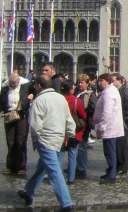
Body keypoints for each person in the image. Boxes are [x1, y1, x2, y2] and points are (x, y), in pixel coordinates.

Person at [17, 75, 75, 212]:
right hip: (59, 139)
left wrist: (35, 139)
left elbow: (35, 125)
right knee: (42, 167)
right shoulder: (61, 98)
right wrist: (71, 134)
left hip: (45, 140)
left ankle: (66, 204)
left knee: (54, 172)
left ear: (38, 86)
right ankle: (29, 192)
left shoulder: (40, 100)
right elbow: (69, 119)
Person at [0, 73, 35, 175]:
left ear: (19, 81)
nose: (13, 86)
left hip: (21, 114)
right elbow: (1, 101)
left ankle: (21, 166)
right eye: (11, 84)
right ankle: (10, 165)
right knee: (10, 141)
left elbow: (34, 92)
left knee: (21, 140)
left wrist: (30, 97)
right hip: (9, 115)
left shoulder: (26, 84)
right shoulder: (5, 87)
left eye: (15, 84)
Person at [93, 73, 124, 184]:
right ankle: (110, 170)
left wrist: (102, 126)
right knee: (108, 150)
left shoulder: (109, 93)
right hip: (110, 126)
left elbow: (107, 112)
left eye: (101, 80)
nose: (99, 83)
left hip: (110, 127)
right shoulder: (109, 91)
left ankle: (112, 175)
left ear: (107, 81)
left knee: (110, 151)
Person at [60, 80, 86, 185]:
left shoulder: (59, 100)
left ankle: (57, 177)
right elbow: (83, 115)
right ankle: (71, 178)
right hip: (74, 132)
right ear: (71, 89)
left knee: (59, 157)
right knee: (72, 156)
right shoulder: (76, 101)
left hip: (61, 131)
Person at [111, 73, 128, 175]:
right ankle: (116, 164)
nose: (112, 83)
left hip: (122, 123)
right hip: (115, 122)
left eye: (113, 81)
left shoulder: (125, 92)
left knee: (122, 144)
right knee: (115, 144)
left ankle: (122, 166)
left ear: (120, 81)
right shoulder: (114, 91)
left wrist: (122, 119)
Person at [75, 73, 97, 177]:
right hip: (75, 123)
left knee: (82, 145)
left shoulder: (90, 94)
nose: (80, 85)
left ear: (87, 84)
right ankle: (75, 165)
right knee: (75, 145)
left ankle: (81, 168)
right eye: (79, 82)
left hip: (84, 122)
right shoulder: (76, 93)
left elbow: (93, 107)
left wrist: (82, 112)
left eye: (82, 83)